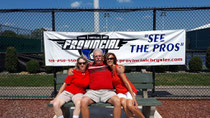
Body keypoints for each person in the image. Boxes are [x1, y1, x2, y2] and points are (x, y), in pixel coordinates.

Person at [69, 49, 121, 118]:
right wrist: (70, 69)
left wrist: (122, 68)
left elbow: (120, 67)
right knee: (83, 101)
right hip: (93, 92)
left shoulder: (108, 65)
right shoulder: (89, 66)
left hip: (108, 92)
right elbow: (79, 68)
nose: (98, 58)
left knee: (117, 101)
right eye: (96, 56)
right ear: (93, 57)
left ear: (103, 57)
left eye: (100, 56)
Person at [105, 52, 145, 118]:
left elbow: (126, 83)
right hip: (120, 92)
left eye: (111, 58)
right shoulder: (109, 70)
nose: (109, 60)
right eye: (107, 59)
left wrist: (134, 98)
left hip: (128, 91)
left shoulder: (118, 68)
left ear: (114, 60)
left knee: (129, 105)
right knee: (124, 103)